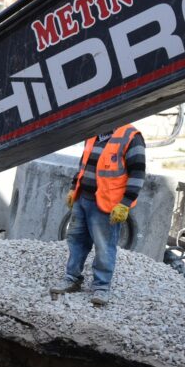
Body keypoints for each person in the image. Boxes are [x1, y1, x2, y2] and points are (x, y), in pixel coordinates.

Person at [49, 124, 146, 307]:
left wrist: (125, 203)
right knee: (76, 241)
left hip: (106, 205)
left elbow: (138, 174)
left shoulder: (131, 136)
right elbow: (83, 164)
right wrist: (72, 189)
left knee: (104, 247)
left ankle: (101, 286)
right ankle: (72, 278)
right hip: (82, 199)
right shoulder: (94, 132)